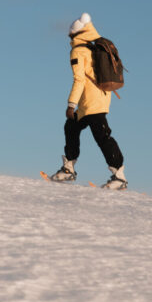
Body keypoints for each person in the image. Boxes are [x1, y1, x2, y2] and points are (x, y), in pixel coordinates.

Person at [49, 12, 127, 189]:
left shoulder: (78, 51)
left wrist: (71, 105)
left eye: (70, 34)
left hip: (93, 102)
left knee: (102, 136)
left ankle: (119, 176)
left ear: (75, 34)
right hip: (95, 100)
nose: (68, 37)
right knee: (71, 127)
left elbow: (79, 79)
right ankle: (68, 168)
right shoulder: (92, 48)